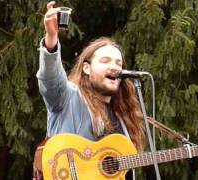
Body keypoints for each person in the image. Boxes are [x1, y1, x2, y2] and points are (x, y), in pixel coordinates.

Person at [35, 1, 144, 179]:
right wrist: (51, 40)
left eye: (118, 63)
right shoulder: (69, 97)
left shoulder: (122, 117)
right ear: (86, 68)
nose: (115, 67)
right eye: (105, 61)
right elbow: (50, 79)